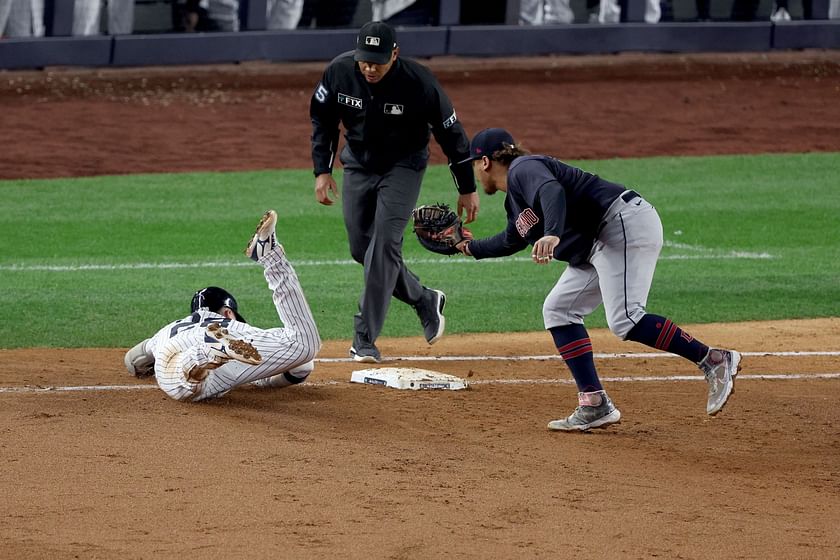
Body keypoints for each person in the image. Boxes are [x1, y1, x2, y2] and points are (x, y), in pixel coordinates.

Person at [456, 128, 742, 431]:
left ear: (484, 162)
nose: (476, 172)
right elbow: (510, 240)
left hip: (620, 223)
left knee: (627, 319)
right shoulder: (515, 200)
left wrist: (552, 232)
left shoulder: (524, 169)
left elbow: (551, 191)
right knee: (558, 310)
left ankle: (713, 360)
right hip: (597, 245)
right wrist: (463, 246)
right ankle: (594, 403)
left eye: (474, 165)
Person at [309, 20, 479, 363]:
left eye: (378, 61)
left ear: (395, 54)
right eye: (365, 60)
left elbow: (453, 135)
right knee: (363, 249)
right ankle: (423, 299)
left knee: (385, 243)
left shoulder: (420, 83)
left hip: (404, 166)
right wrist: (322, 171)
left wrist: (467, 188)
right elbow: (323, 119)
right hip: (358, 162)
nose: (370, 67)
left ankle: (364, 337)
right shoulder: (339, 72)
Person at [123, 210, 321, 402]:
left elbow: (132, 361)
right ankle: (270, 258)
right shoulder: (236, 327)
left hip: (172, 351)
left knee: (184, 383)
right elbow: (302, 367)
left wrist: (145, 368)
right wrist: (273, 378)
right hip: (223, 340)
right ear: (228, 312)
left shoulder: (166, 331)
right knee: (302, 345)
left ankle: (209, 352)